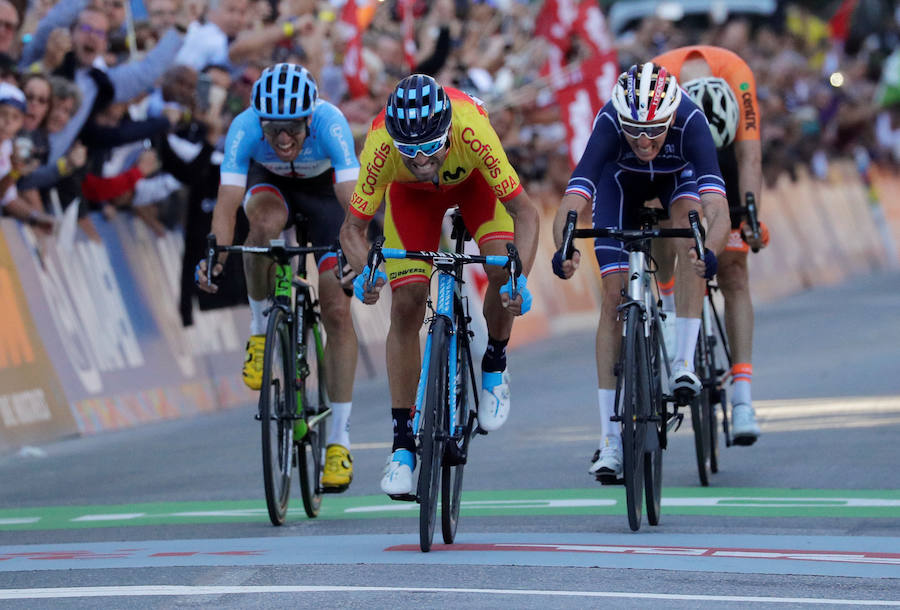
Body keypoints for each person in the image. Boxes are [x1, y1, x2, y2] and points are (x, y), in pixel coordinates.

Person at [340, 74, 540, 498]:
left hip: (474, 185)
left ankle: (494, 365)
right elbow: (353, 230)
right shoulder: (379, 145)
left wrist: (519, 279)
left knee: (502, 268)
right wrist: (366, 273)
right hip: (412, 200)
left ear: (448, 130)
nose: (422, 159)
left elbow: (526, 213)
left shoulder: (471, 126)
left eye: (431, 146)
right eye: (409, 151)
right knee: (407, 302)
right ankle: (402, 448)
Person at [550, 62, 730, 482]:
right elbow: (574, 198)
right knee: (613, 298)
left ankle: (683, 360)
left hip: (676, 181)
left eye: (654, 130)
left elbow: (717, 207)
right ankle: (610, 441)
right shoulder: (610, 122)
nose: (645, 140)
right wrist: (564, 248)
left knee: (691, 238)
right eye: (635, 130)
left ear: (671, 116)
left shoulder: (691, 121)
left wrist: (712, 250)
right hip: (619, 185)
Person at [194, 63, 361, 491]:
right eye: (273, 130)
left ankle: (338, 441)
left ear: (309, 118)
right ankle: (259, 329)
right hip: (270, 187)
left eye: (292, 129)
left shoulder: (331, 123)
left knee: (338, 310)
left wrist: (360, 251)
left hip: (326, 196)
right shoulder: (244, 126)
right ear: (259, 123)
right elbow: (227, 202)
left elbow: (352, 204)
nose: (283, 139)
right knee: (261, 229)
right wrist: (215, 254)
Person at [653, 45, 768, 445]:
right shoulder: (659, 78)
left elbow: (749, 158)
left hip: (723, 159)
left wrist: (751, 216)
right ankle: (668, 305)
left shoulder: (738, 74)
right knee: (663, 219)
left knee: (735, 273)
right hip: (672, 150)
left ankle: (742, 397)